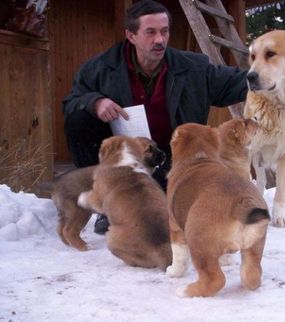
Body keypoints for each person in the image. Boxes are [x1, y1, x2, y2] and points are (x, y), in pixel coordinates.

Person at [62, 0, 248, 234]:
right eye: (150, 32)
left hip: (172, 160)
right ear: (131, 36)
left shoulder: (193, 68)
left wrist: (275, 75)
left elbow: (237, 82)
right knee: (78, 119)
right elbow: (71, 103)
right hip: (124, 161)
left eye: (164, 31)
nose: (159, 40)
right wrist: (95, 102)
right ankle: (108, 204)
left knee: (174, 206)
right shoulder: (100, 68)